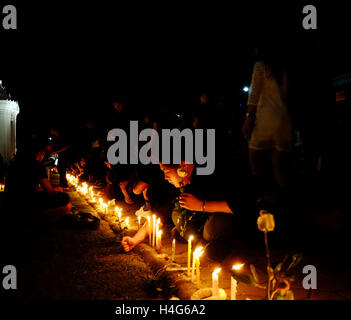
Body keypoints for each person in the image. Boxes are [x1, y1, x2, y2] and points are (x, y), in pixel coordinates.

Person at [121, 162, 243, 261]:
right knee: (176, 214)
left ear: (184, 166)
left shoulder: (210, 175)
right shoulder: (180, 183)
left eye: (167, 171)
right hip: (200, 221)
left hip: (228, 219)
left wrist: (201, 205)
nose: (165, 177)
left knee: (212, 229)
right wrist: (135, 239)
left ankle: (225, 245)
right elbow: (160, 215)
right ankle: (201, 240)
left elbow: (239, 205)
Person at [241, 45, 292, 200]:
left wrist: (249, 116)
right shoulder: (282, 69)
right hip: (284, 121)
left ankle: (262, 198)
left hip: (267, 118)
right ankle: (283, 202)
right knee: (279, 167)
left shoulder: (261, 66)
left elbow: (254, 92)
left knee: (254, 157)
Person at [5, 139, 72, 218]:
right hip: (28, 202)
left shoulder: (14, 163)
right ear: (40, 153)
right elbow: (50, 191)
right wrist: (57, 190)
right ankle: (42, 213)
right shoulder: (37, 165)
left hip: (10, 202)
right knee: (65, 197)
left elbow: (27, 187)